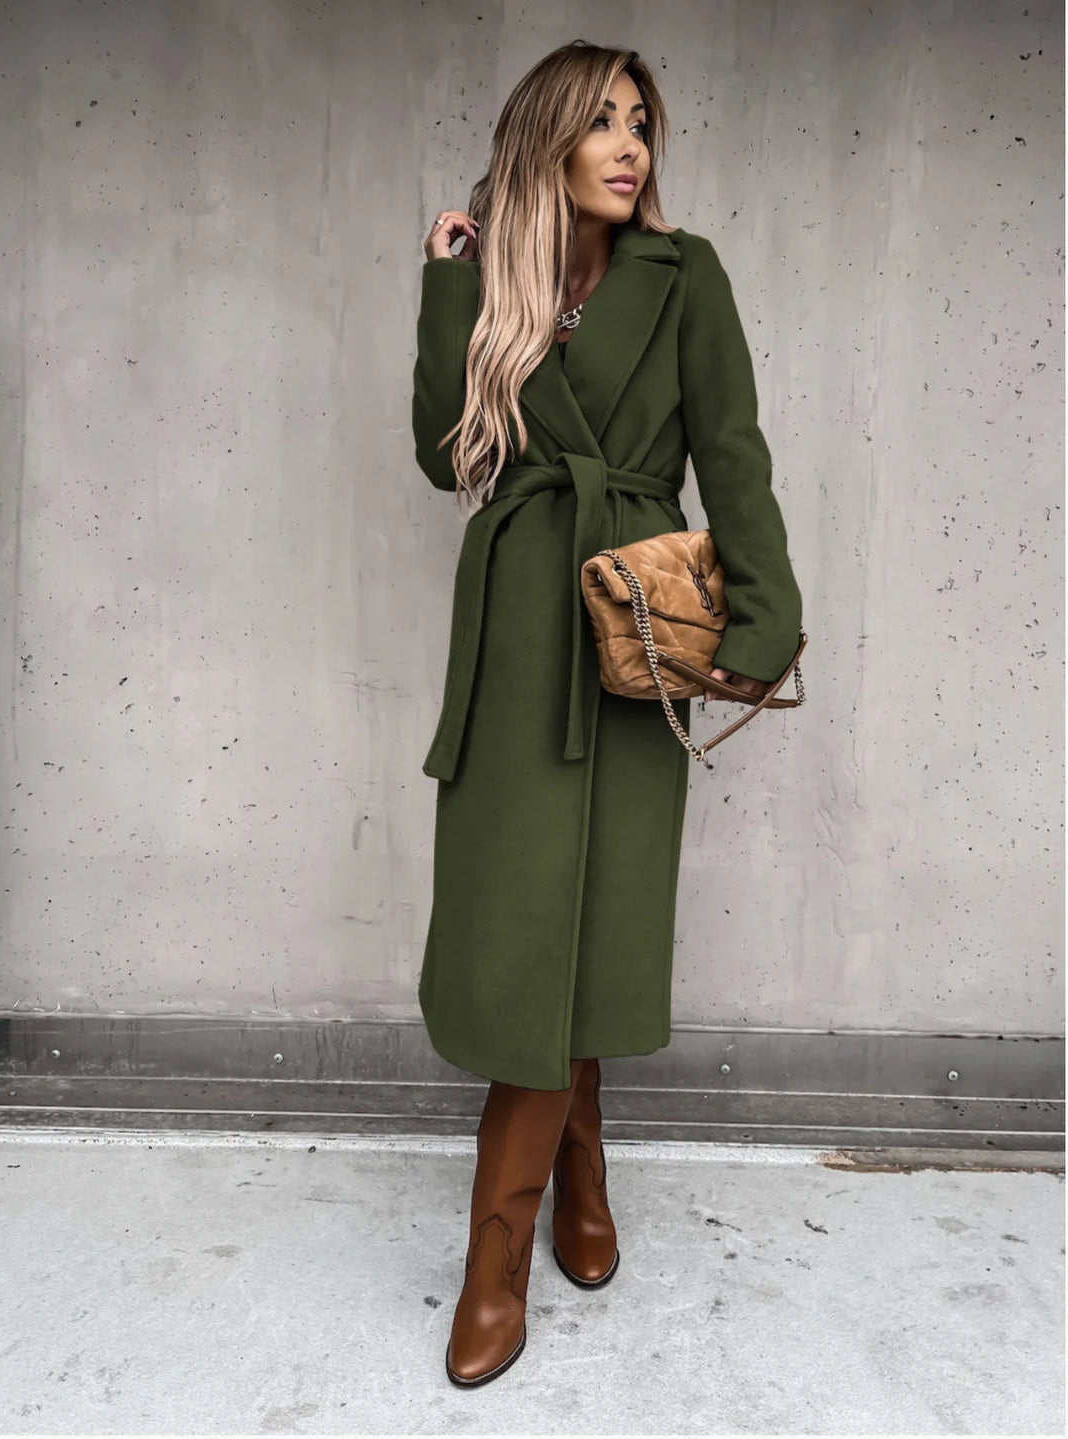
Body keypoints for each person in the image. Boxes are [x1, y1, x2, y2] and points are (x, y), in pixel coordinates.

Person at [410, 40, 803, 1387]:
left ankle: (506, 1248)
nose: (632, 145)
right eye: (602, 123)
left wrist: (760, 621)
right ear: (549, 143)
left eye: (644, 123)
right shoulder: (503, 281)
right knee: (523, 931)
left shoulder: (686, 280)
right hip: (521, 623)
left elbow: (734, 453)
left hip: (629, 626)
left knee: (591, 920)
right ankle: (556, 1198)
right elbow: (439, 453)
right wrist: (447, 284)